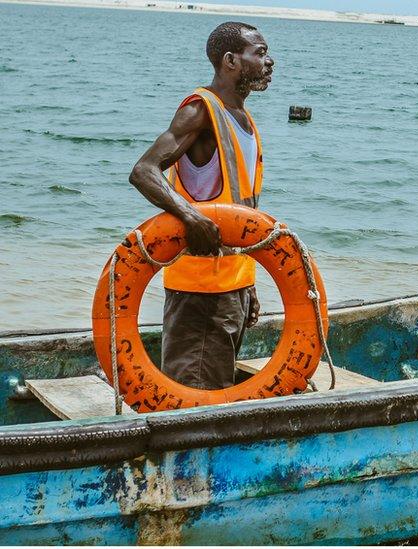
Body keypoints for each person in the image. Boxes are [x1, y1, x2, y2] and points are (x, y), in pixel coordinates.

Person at [129, 21, 274, 389]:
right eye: (259, 53)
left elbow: (238, 210)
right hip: (199, 291)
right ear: (230, 60)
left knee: (217, 387)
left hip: (232, 286)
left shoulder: (242, 119)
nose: (269, 62)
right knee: (195, 396)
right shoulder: (199, 111)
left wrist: (248, 283)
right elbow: (144, 171)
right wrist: (189, 217)